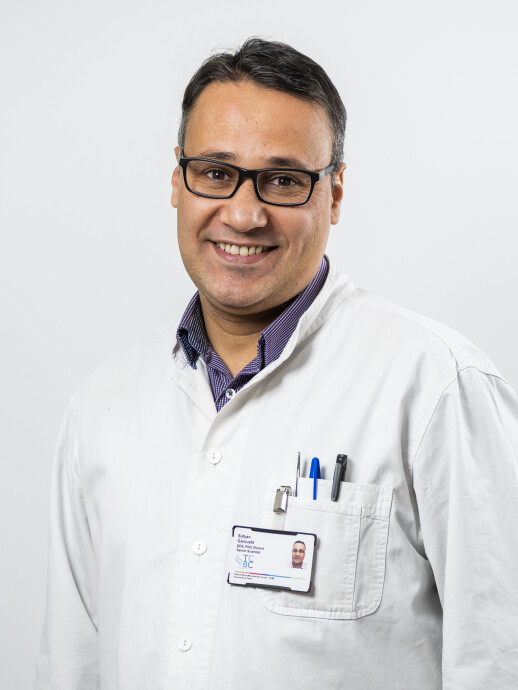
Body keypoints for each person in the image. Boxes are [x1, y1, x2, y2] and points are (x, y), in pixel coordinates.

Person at [35, 38, 518, 689]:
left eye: (284, 181)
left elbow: (499, 659)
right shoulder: (104, 405)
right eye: (215, 172)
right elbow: (71, 665)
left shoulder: (436, 387)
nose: (243, 214)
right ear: (177, 181)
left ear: (335, 193)